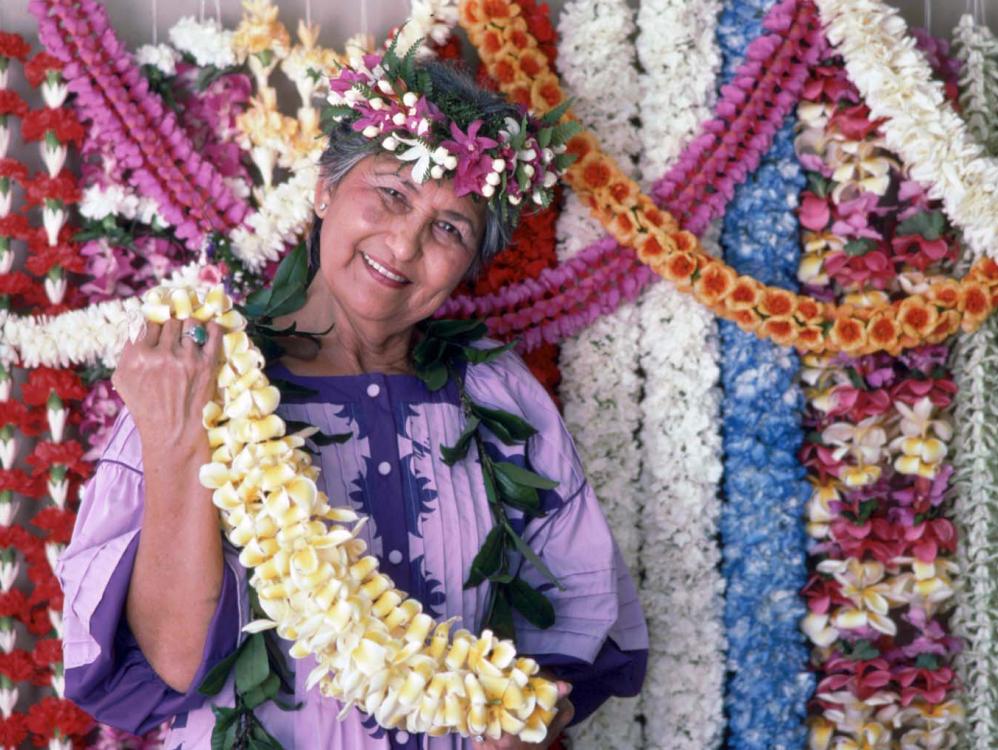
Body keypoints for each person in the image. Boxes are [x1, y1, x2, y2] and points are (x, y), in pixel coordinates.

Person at [58, 57, 647, 749]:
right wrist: (176, 439)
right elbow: (175, 661)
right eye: (392, 193)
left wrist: (531, 718)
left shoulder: (494, 390)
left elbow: (576, 622)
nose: (403, 245)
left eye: (450, 228)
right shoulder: (202, 373)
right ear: (324, 188)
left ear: (471, 263)